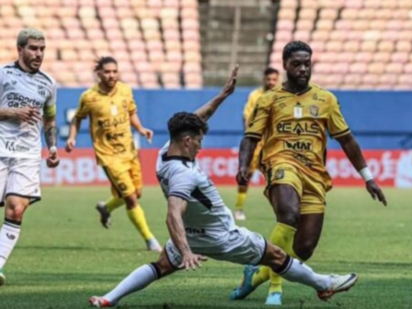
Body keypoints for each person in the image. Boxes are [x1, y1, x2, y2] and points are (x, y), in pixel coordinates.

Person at [88, 66, 358, 308]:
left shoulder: (164, 153)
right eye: (198, 141)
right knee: (276, 256)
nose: (201, 145)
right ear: (186, 140)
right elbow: (173, 213)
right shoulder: (183, 175)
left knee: (159, 266)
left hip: (194, 235)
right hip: (222, 236)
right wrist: (185, 253)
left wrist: (222, 95)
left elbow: (195, 119)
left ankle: (109, 298)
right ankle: (324, 284)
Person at [231, 41, 387, 305]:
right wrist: (243, 165)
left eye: (307, 63)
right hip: (281, 163)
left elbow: (347, 140)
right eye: (297, 64)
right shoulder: (268, 99)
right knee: (288, 214)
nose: (303, 69)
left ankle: (256, 277)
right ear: (285, 66)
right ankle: (275, 290)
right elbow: (250, 137)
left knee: (304, 248)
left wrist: (368, 177)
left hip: (315, 174)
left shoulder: (326, 99)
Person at [65, 57, 161, 252]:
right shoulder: (89, 97)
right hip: (108, 156)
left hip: (129, 151)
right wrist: (72, 138)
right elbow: (77, 119)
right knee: (131, 199)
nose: (111, 75)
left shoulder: (125, 90)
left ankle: (106, 207)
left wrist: (141, 128)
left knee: (137, 193)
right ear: (99, 73)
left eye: (114, 71)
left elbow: (131, 112)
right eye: (107, 72)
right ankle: (150, 240)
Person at [0, 28, 60, 286]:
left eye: (42, 49)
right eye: (33, 48)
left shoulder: (49, 83)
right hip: (0, 148)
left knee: (16, 209)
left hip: (27, 154)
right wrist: (12, 113)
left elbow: (50, 119)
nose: (38, 54)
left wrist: (53, 147)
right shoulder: (3, 74)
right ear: (20, 49)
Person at [234, 67, 279, 221]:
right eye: (269, 79)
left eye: (274, 79)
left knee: (278, 178)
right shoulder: (255, 96)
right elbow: (247, 117)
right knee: (245, 175)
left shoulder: (282, 95)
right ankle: (239, 209)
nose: (271, 82)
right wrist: (251, 138)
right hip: (256, 143)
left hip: (273, 145)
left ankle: (281, 209)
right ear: (264, 80)